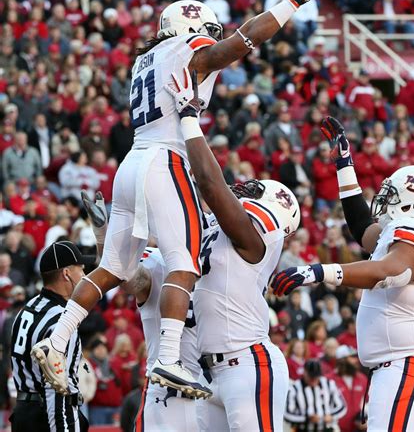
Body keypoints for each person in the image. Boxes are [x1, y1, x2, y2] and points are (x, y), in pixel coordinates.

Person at [32, 0, 324, 398]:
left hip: (132, 162)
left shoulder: (144, 60)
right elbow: (238, 44)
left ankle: (57, 340)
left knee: (113, 267)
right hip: (165, 160)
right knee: (183, 261)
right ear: (196, 29)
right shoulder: (189, 50)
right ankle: (168, 357)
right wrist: (292, 3)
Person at [272, 116, 414, 431]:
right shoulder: (399, 234)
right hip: (402, 365)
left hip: (410, 364)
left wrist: (317, 271)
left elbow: (388, 272)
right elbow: (362, 227)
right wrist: (345, 165)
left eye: (395, 195)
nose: (385, 199)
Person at [166, 69, 301, 430]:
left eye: (256, 190)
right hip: (212, 370)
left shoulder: (258, 238)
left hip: (249, 364)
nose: (245, 187)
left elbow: (211, 184)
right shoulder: (217, 229)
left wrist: (190, 120)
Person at [82, 191, 200, 431]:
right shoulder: (157, 261)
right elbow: (126, 277)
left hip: (209, 384)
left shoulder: (214, 259)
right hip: (166, 386)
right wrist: (103, 236)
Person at [10, 241, 94, 431]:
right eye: (80, 269)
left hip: (23, 411)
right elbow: (57, 388)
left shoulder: (26, 309)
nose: (85, 276)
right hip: (48, 415)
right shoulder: (62, 320)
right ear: (66, 273)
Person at [285, 359, 347, 431]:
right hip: (303, 429)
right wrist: (306, 418)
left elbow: (342, 406)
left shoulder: (329, 384)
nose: (314, 379)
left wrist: (331, 416)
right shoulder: (294, 388)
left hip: (326, 429)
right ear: (305, 373)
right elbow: (287, 414)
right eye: (311, 376)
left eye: (316, 376)